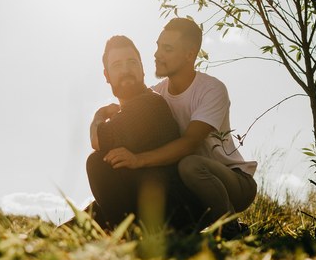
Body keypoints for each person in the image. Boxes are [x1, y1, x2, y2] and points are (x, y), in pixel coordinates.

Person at [103, 18, 257, 238]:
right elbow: (132, 114)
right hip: (188, 186)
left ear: (189, 54)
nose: (157, 54)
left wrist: (139, 160)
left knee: (189, 164)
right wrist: (107, 114)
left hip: (234, 183)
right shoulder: (158, 93)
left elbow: (189, 143)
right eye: (157, 46)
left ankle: (231, 228)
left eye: (167, 48)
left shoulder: (211, 89)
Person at [85, 35, 202, 230]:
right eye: (117, 65)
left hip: (175, 208)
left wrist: (99, 115)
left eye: (131, 62)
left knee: (98, 163)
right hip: (141, 198)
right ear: (107, 75)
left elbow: (97, 140)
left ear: (142, 68)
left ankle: (129, 237)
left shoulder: (149, 104)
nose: (125, 70)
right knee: (83, 219)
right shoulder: (125, 115)